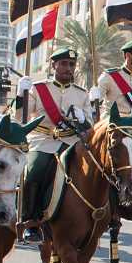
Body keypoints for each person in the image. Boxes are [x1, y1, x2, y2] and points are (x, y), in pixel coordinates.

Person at [15, 49, 93, 244]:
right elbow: (19, 118)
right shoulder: (38, 88)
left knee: (96, 174)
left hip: (71, 144)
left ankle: (98, 218)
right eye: (64, 63)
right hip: (43, 141)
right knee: (33, 172)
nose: (68, 68)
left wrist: (82, 119)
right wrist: (20, 95)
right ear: (54, 65)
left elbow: (90, 128)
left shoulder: (82, 94)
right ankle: (31, 222)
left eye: (71, 64)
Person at [94, 40, 132, 131]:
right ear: (128, 56)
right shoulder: (109, 76)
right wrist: (93, 97)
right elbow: (93, 103)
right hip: (112, 128)